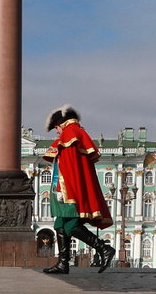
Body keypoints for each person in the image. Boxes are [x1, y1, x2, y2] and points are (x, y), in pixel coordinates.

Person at [41, 105, 115, 275]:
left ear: (62, 123)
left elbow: (68, 168)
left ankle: (104, 249)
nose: (57, 132)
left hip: (69, 191)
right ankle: (63, 263)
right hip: (67, 189)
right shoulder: (74, 133)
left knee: (72, 225)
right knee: (60, 225)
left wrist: (61, 189)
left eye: (56, 128)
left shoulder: (70, 134)